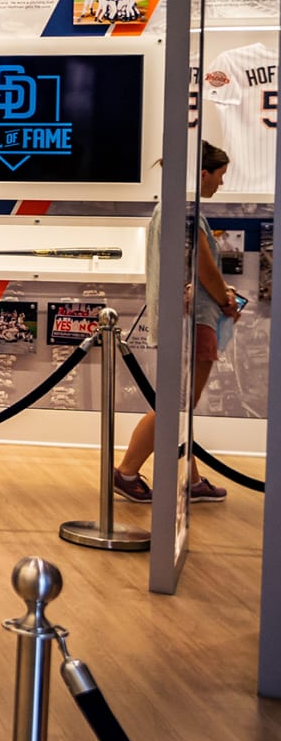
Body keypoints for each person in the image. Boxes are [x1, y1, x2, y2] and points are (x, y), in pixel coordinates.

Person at [117, 139, 238, 505]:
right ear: (204, 173)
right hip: (196, 321)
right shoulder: (187, 212)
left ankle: (191, 478)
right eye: (220, 176)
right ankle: (126, 472)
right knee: (177, 403)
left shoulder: (173, 209)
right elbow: (203, 266)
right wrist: (225, 300)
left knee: (179, 402)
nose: (221, 183)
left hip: (184, 318)